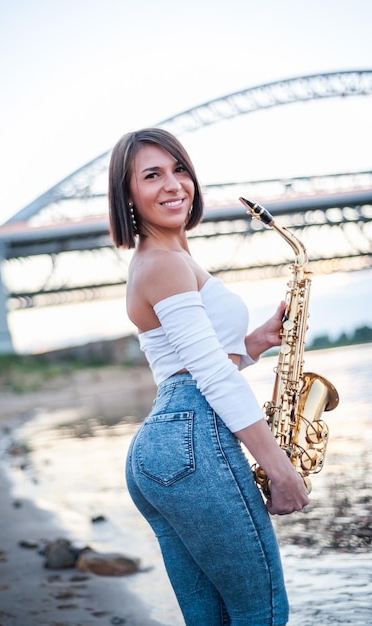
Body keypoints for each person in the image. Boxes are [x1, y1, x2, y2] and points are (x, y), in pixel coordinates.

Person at [108, 128, 309, 626]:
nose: (173, 184)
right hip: (191, 442)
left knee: (212, 618)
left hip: (162, 447)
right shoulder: (163, 264)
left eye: (179, 169)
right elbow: (213, 378)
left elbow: (182, 365)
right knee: (261, 612)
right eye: (152, 175)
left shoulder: (162, 261)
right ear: (127, 194)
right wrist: (279, 467)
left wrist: (256, 341)